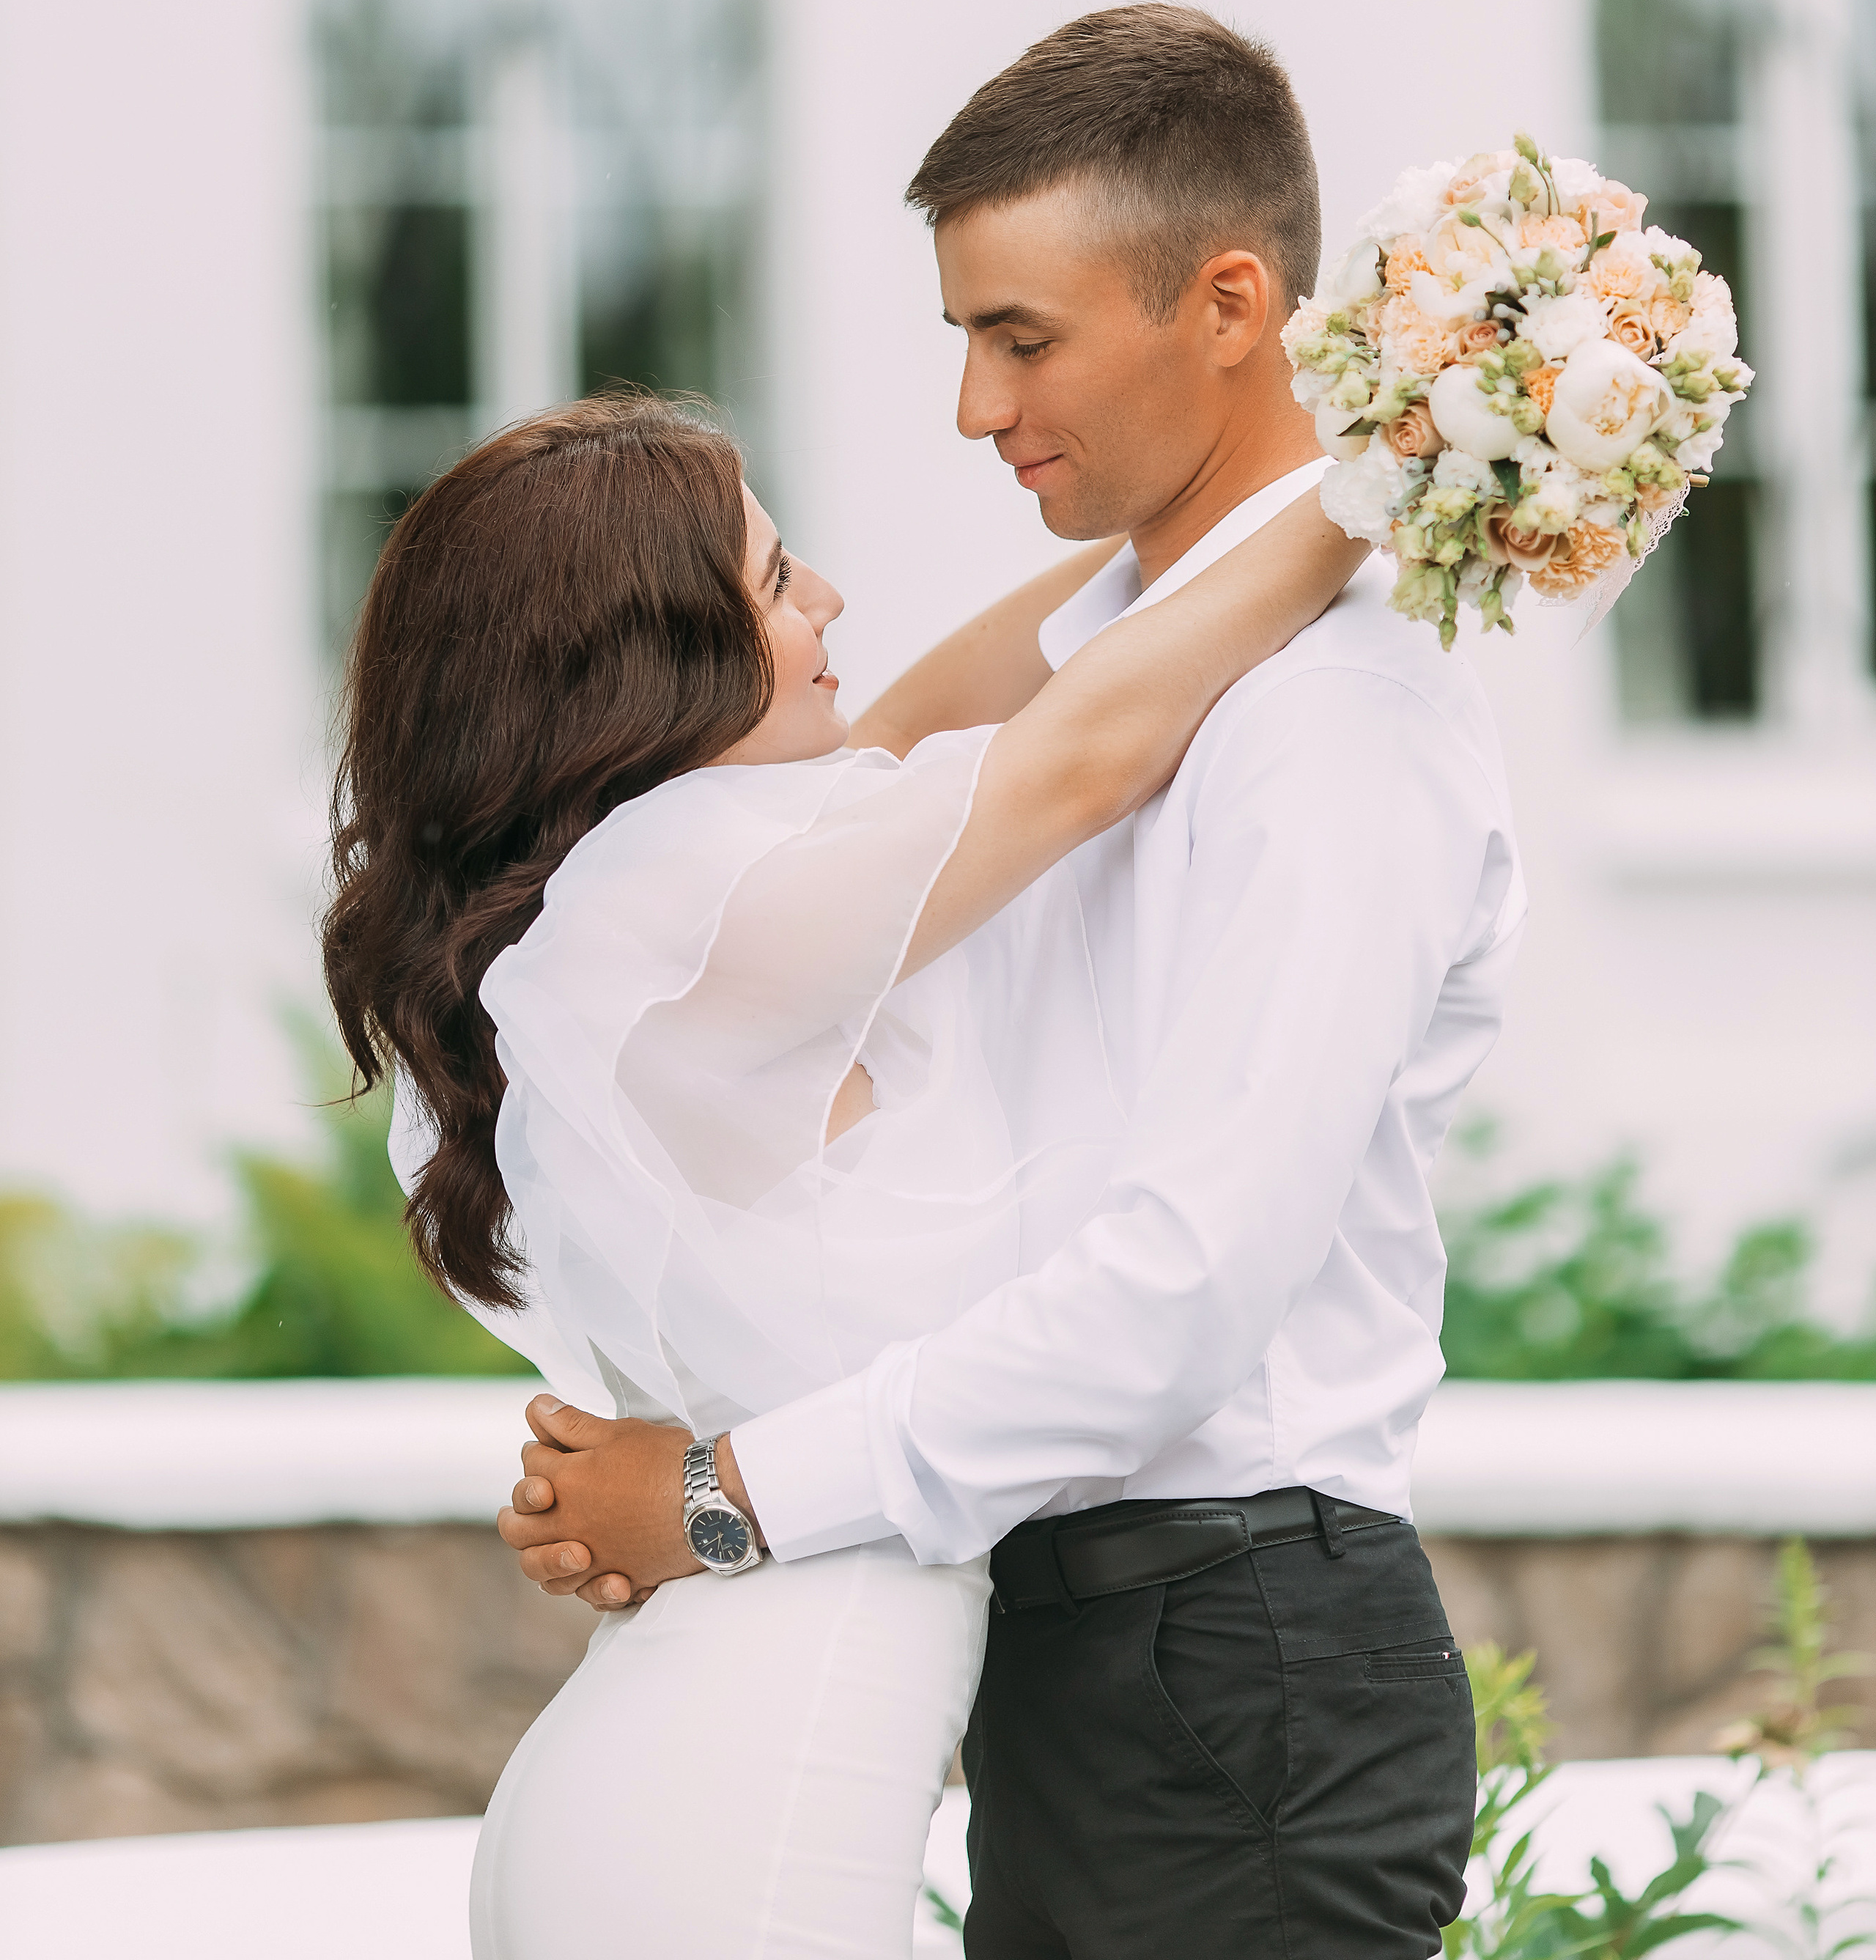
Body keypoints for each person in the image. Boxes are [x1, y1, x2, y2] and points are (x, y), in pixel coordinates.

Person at [498, 4, 1527, 1959]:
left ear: (1229, 304)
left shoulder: (1336, 725)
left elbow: (1182, 1291)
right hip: (1093, 1649)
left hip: (1242, 1656)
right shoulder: (1112, 680)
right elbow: (963, 744)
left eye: (1022, 336)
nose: (975, 407)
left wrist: (721, 1493)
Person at [323, 364, 1367, 1957]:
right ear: (649, 666)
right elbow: (1082, 750)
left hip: (690, 1743)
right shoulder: (681, 911)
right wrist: (1392, 485)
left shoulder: (669, 900)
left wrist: (1235, 491)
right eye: (771, 577)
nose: (828, 594)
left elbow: (961, 696)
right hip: (754, 1772)